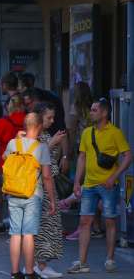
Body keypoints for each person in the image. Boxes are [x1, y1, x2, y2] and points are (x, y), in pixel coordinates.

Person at [68, 98, 132, 274]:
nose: (91, 112)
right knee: (84, 221)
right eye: (91, 109)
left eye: (95, 110)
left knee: (110, 220)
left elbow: (127, 156)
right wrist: (76, 182)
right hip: (89, 184)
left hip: (108, 185)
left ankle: (110, 259)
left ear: (104, 113)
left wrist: (114, 177)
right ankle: (82, 262)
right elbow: (82, 157)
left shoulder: (115, 133)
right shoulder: (87, 132)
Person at [4, 113, 57, 279]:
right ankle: (29, 272)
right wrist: (52, 200)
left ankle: (14, 272)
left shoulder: (13, 143)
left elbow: (5, 158)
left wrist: (16, 138)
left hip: (13, 192)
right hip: (33, 194)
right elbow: (47, 177)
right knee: (28, 234)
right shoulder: (41, 148)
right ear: (39, 126)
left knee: (14, 233)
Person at [33, 102, 66, 278]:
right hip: (40, 188)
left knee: (49, 227)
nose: (52, 121)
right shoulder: (35, 136)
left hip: (48, 185)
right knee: (42, 227)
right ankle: (38, 265)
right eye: (49, 118)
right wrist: (53, 143)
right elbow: (36, 160)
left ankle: (40, 264)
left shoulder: (45, 134)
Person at [0, 94, 26, 233]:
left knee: (3, 194)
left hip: (6, 164)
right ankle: (22, 225)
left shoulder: (3, 122)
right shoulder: (29, 121)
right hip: (26, 164)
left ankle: (2, 222)